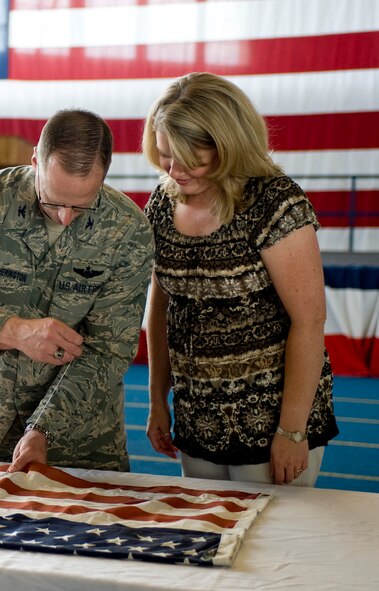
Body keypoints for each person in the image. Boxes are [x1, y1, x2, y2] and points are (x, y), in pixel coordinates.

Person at [0, 108, 154, 472]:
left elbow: (109, 350)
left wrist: (43, 429)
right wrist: (16, 331)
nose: (66, 217)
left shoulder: (129, 232)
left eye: (82, 205)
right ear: (34, 164)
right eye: (54, 201)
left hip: (78, 433)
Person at [141, 72, 339, 487]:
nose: (173, 170)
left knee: (270, 545)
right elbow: (161, 304)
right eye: (164, 155)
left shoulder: (274, 203)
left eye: (187, 158)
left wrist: (291, 431)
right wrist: (156, 399)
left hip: (270, 420)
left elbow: (309, 322)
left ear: (226, 144)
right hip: (197, 417)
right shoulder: (162, 202)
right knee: (208, 539)